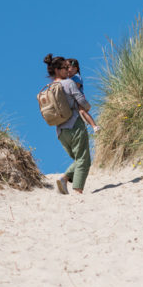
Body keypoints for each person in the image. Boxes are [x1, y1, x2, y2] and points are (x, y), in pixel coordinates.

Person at [43, 53, 91, 195]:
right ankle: (76, 189)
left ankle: (67, 181)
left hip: (60, 132)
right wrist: (87, 108)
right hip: (75, 125)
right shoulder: (69, 83)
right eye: (64, 68)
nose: (67, 71)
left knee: (79, 159)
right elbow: (80, 100)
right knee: (83, 159)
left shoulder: (50, 87)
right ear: (57, 70)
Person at [67, 59, 100, 133]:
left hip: (79, 98)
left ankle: (94, 126)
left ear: (75, 68)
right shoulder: (70, 79)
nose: (67, 70)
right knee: (80, 114)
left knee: (82, 111)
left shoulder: (76, 77)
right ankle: (87, 123)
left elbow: (76, 87)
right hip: (76, 99)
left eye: (68, 67)